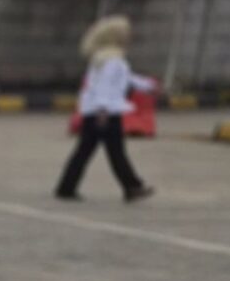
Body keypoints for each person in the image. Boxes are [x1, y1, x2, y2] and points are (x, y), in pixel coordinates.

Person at [58, 15, 157, 203]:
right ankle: (132, 186)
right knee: (112, 151)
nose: (130, 36)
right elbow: (104, 86)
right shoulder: (111, 60)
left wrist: (148, 86)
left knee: (88, 151)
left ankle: (67, 187)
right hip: (105, 113)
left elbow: (127, 78)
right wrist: (103, 110)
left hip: (97, 111)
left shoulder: (105, 58)